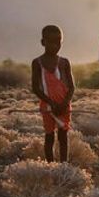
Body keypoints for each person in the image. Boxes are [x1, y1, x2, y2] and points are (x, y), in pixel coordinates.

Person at [31, 25, 75, 162]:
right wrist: (51, 103)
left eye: (58, 41)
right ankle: (50, 166)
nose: (55, 45)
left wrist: (63, 104)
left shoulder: (64, 62)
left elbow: (72, 87)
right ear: (43, 42)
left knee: (63, 137)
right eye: (51, 41)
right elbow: (36, 88)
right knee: (49, 136)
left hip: (64, 107)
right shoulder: (37, 63)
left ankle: (63, 165)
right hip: (47, 107)